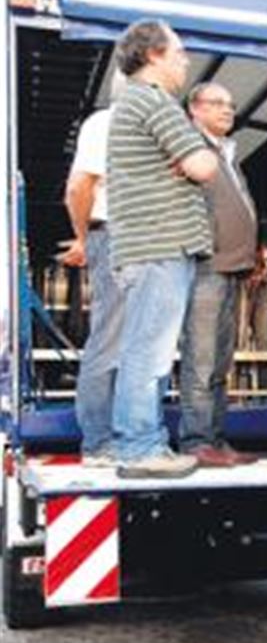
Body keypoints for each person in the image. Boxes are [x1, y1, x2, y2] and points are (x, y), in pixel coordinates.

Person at [107, 19, 219, 479]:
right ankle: (137, 447)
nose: (185, 60)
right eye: (178, 52)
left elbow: (191, 165)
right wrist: (194, 154)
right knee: (147, 351)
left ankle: (145, 442)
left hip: (148, 247)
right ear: (152, 55)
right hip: (159, 247)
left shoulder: (132, 102)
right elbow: (205, 164)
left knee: (146, 348)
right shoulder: (155, 102)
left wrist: (189, 160)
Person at [178, 82, 259, 467]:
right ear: (195, 109)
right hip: (206, 266)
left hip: (231, 267)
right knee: (202, 358)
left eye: (230, 104)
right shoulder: (190, 146)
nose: (228, 110)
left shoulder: (227, 154)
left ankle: (214, 437)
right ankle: (196, 441)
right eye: (217, 104)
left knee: (221, 361)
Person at [62, 70, 127, 468]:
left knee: (136, 343)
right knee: (112, 337)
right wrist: (84, 238)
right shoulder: (104, 124)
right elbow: (78, 187)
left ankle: (123, 435)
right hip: (117, 232)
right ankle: (100, 440)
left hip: (137, 237)